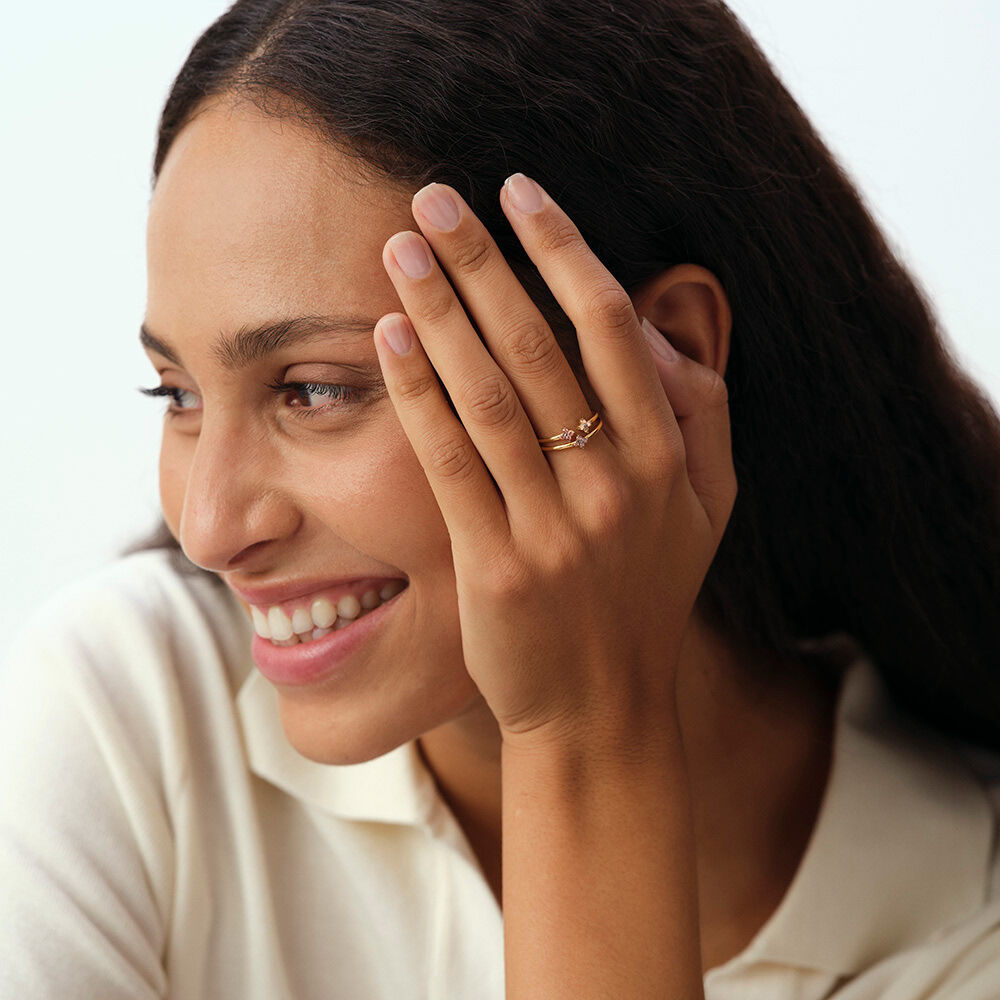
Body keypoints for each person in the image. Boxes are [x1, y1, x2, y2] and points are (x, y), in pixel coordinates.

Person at [2, 1, 999, 997]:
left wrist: (586, 731)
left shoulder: (966, 922)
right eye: (176, 394)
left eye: (314, 388)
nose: (211, 529)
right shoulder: (124, 715)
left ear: (663, 363)